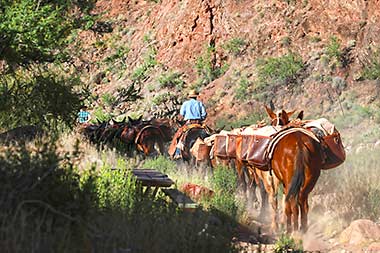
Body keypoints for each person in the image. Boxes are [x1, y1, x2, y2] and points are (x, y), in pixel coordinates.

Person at [170, 90, 207, 159]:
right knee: (208, 134)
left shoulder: (185, 104)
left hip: (189, 123)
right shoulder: (199, 103)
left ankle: (177, 153)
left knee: (180, 137)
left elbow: (182, 114)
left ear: (189, 97)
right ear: (196, 97)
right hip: (199, 124)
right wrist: (200, 118)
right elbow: (204, 114)